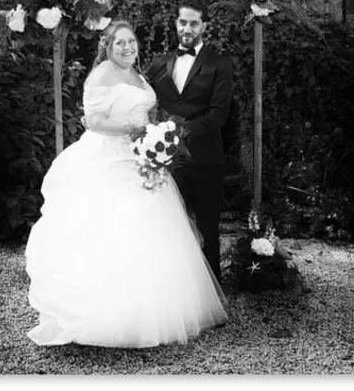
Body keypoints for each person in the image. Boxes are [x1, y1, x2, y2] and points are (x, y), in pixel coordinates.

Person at [25, 19, 227, 348]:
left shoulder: (138, 75)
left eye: (131, 41)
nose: (127, 47)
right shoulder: (101, 74)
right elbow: (94, 121)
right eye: (119, 42)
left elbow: (145, 114)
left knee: (155, 230)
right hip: (108, 159)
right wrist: (136, 131)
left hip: (140, 158)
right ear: (108, 46)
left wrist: (155, 137)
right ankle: (109, 318)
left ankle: (153, 312)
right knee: (114, 228)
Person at [144, 0, 234, 283]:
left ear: (203, 26)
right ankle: (174, 289)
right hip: (169, 163)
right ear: (176, 24)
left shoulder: (219, 63)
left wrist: (176, 133)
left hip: (207, 160)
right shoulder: (158, 63)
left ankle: (213, 291)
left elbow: (219, 114)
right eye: (183, 22)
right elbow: (139, 97)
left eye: (194, 23)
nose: (187, 28)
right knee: (170, 228)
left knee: (208, 228)